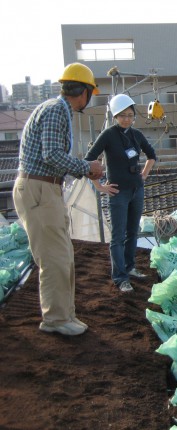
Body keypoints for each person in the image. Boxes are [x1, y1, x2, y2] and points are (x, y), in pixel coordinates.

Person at [13, 62, 104, 336]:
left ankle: (65, 315)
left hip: (46, 190)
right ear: (83, 91)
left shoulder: (57, 109)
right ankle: (54, 319)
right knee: (54, 258)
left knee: (63, 255)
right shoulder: (55, 111)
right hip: (39, 189)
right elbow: (50, 155)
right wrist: (86, 167)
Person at [85, 94, 156, 293]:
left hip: (136, 189)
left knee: (133, 232)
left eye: (130, 115)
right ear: (115, 116)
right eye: (122, 115)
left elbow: (152, 156)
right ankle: (120, 277)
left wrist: (143, 175)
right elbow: (89, 160)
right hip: (117, 192)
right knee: (117, 236)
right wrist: (99, 186)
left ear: (134, 116)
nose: (126, 118)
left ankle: (130, 267)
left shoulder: (136, 135)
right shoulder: (108, 135)